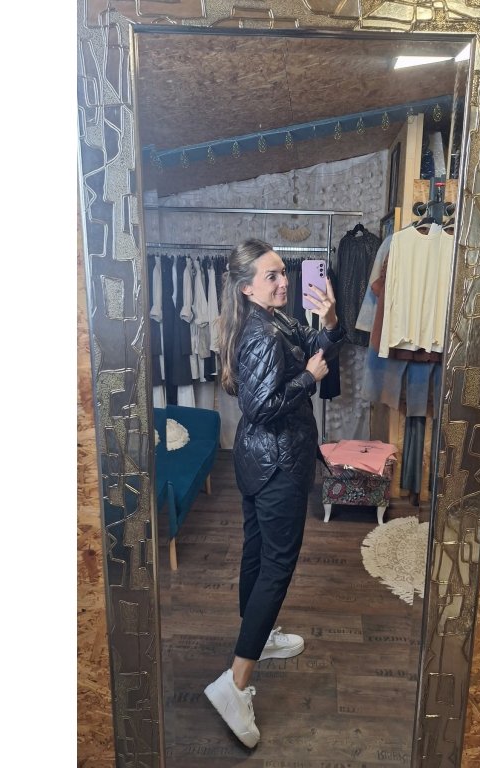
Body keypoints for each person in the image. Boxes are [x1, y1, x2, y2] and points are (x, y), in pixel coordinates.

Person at [204, 238, 345, 748]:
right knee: (277, 565)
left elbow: (315, 343)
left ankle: (256, 637)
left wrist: (329, 324)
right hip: (277, 463)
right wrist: (308, 379)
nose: (284, 281)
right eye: (272, 276)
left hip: (258, 460)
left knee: (259, 553)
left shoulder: (272, 319)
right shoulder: (263, 333)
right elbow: (262, 407)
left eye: (284, 272)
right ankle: (236, 681)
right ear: (247, 287)